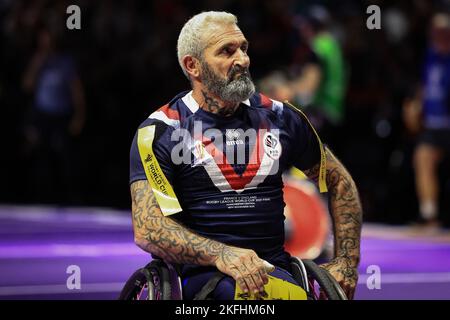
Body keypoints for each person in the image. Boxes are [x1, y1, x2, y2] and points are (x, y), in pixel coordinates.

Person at [129, 11, 362, 300]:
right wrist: (222, 254)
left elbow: (340, 183)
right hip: (202, 278)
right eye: (227, 51)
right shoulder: (162, 130)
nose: (243, 60)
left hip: (274, 273)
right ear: (193, 65)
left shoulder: (281, 118)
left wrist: (347, 263)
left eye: (243, 48)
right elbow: (148, 229)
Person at [407, 12, 450, 228]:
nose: (439, 35)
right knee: (422, 159)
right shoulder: (429, 57)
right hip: (434, 123)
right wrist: (415, 105)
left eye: (444, 31)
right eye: (435, 31)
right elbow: (423, 86)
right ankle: (429, 214)